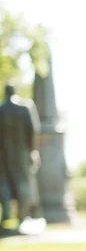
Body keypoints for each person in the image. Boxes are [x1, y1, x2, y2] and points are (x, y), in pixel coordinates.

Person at [0, 83, 42, 225]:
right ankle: (22, 217)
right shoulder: (25, 107)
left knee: (4, 183)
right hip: (23, 152)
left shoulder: (1, 109)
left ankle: (6, 217)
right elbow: (34, 130)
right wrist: (34, 151)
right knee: (23, 183)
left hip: (3, 153)